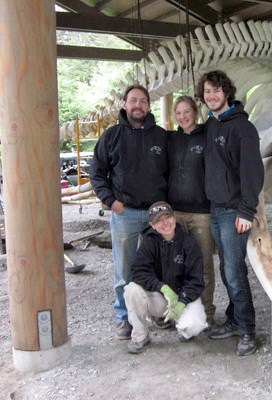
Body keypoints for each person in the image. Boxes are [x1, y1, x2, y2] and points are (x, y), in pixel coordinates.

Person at [90, 84, 169, 340]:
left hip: (155, 215)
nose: (138, 105)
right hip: (125, 214)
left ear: (148, 105)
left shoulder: (161, 136)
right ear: (124, 105)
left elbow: (172, 172)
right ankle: (124, 318)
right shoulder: (112, 136)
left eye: (143, 101)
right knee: (124, 270)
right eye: (133, 100)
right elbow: (97, 173)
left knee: (157, 266)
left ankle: (156, 311)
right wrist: (110, 201)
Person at [194, 70, 264, 356]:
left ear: (227, 92)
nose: (211, 96)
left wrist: (246, 211)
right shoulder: (211, 126)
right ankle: (234, 320)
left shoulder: (242, 128)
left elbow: (252, 172)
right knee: (227, 269)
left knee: (234, 272)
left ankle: (248, 331)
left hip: (234, 211)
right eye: (207, 92)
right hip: (215, 209)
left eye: (216, 90)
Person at [124, 201, 206, 354]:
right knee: (131, 290)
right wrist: (162, 287)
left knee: (196, 325)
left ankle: (182, 328)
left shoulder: (189, 243)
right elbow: (138, 272)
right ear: (152, 225)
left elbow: (196, 280)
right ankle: (140, 336)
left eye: (167, 217)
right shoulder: (149, 243)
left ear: (174, 218)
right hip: (160, 297)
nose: (165, 223)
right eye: (158, 220)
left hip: (182, 298)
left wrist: (182, 300)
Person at [167, 95, 216, 326]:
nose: (183, 117)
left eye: (187, 112)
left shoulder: (207, 135)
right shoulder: (171, 139)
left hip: (201, 214)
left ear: (195, 112)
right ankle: (180, 312)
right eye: (178, 113)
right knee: (177, 265)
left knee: (204, 264)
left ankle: (207, 311)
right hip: (175, 213)